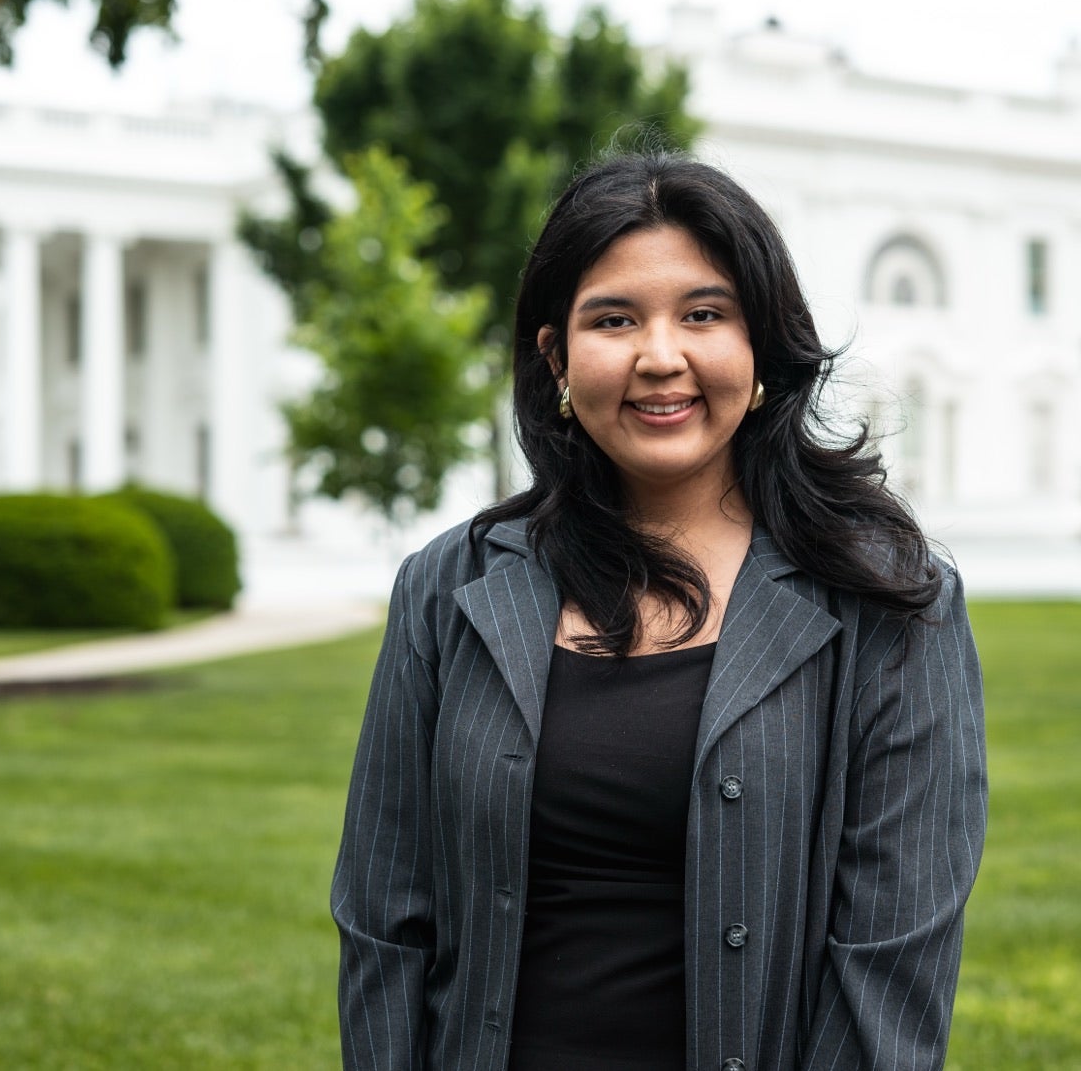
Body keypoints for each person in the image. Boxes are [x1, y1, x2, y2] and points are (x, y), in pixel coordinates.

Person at [332, 152, 988, 1071]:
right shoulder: (447, 590)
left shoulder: (888, 603)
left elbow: (891, 969)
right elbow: (383, 921)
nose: (661, 355)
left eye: (704, 314)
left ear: (761, 345)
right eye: (613, 319)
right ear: (556, 355)